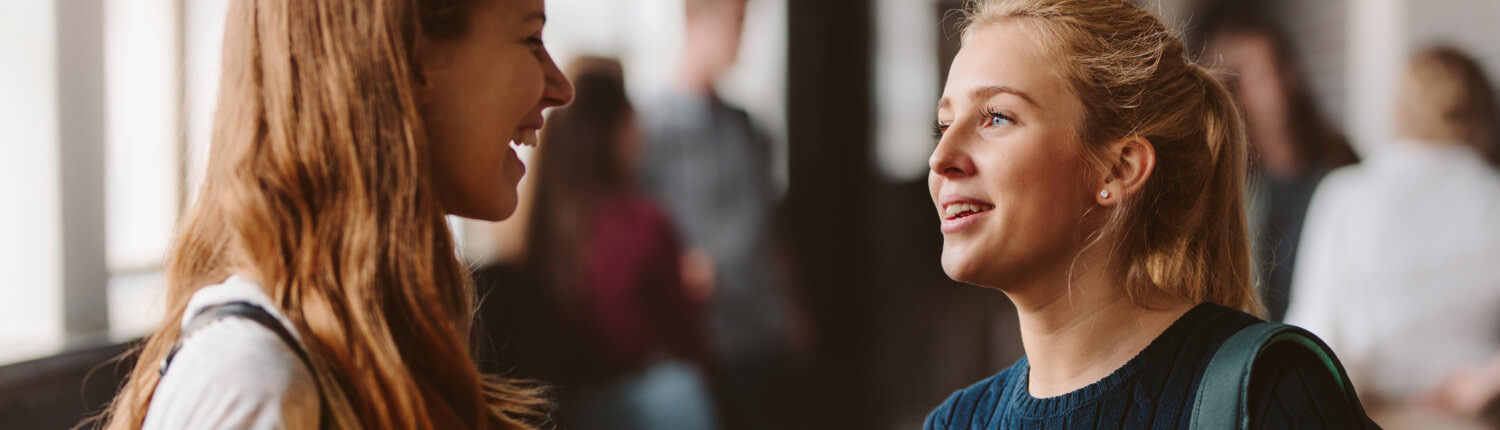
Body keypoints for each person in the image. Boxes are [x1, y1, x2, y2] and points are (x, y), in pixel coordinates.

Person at [90, 0, 573, 428]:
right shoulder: (252, 383)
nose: (560, 87)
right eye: (531, 37)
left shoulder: (361, 344)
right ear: (405, 54)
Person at [922, 0, 1368, 428]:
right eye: (944, 125)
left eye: (996, 117)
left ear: (1118, 168)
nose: (941, 158)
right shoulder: (957, 422)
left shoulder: (1270, 392)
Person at [1286, 46, 1500, 427]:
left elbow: (1313, 330)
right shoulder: (1492, 196)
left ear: (1401, 108)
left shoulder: (1347, 194)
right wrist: (1486, 381)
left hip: (1369, 414)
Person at [525, 57, 718, 430]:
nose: (641, 136)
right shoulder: (645, 225)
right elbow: (691, 343)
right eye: (633, 123)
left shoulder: (538, 228)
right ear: (614, 132)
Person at [637, 0, 800, 427]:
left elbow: (771, 229)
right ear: (696, 21)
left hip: (766, 330)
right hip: (702, 339)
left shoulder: (749, 126)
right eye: (737, 23)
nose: (744, 38)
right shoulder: (646, 129)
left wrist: (795, 310)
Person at [1197, 2, 1360, 322]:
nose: (1276, 85)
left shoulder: (1340, 159)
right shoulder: (1227, 184)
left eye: (1279, 66)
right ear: (1234, 90)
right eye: (1258, 76)